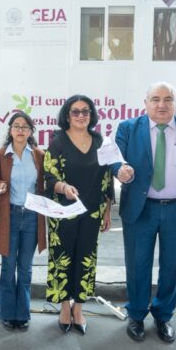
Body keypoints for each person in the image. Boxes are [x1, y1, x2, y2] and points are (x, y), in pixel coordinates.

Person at [113, 82, 176, 344]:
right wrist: (119, 169)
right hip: (140, 208)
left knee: (173, 266)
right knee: (137, 265)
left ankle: (163, 316)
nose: (161, 105)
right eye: (155, 99)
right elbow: (114, 158)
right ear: (145, 103)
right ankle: (136, 316)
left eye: (168, 99)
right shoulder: (128, 128)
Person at [43, 95, 114, 335]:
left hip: (92, 212)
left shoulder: (100, 142)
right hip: (63, 212)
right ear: (67, 115)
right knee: (62, 258)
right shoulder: (58, 142)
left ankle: (79, 308)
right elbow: (48, 178)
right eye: (76, 111)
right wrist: (63, 187)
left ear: (91, 115)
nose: (81, 116)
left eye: (86, 111)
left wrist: (107, 211)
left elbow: (107, 179)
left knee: (86, 259)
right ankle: (65, 307)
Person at [0, 112, 47, 331]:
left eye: (25, 127)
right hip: (10, 215)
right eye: (16, 126)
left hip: (32, 217)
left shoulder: (39, 155)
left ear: (31, 131)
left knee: (25, 268)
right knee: (8, 268)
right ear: (10, 130)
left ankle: (22, 314)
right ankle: (7, 313)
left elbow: (44, 184)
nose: (20, 130)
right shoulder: (0, 155)